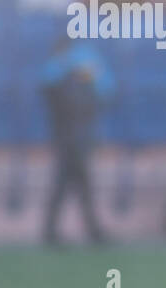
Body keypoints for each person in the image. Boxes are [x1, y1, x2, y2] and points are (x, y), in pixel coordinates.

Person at [40, 36, 113, 245]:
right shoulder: (59, 79)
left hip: (74, 140)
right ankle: (90, 231)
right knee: (75, 186)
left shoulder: (78, 77)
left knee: (71, 186)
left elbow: (104, 92)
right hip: (70, 141)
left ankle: (56, 231)